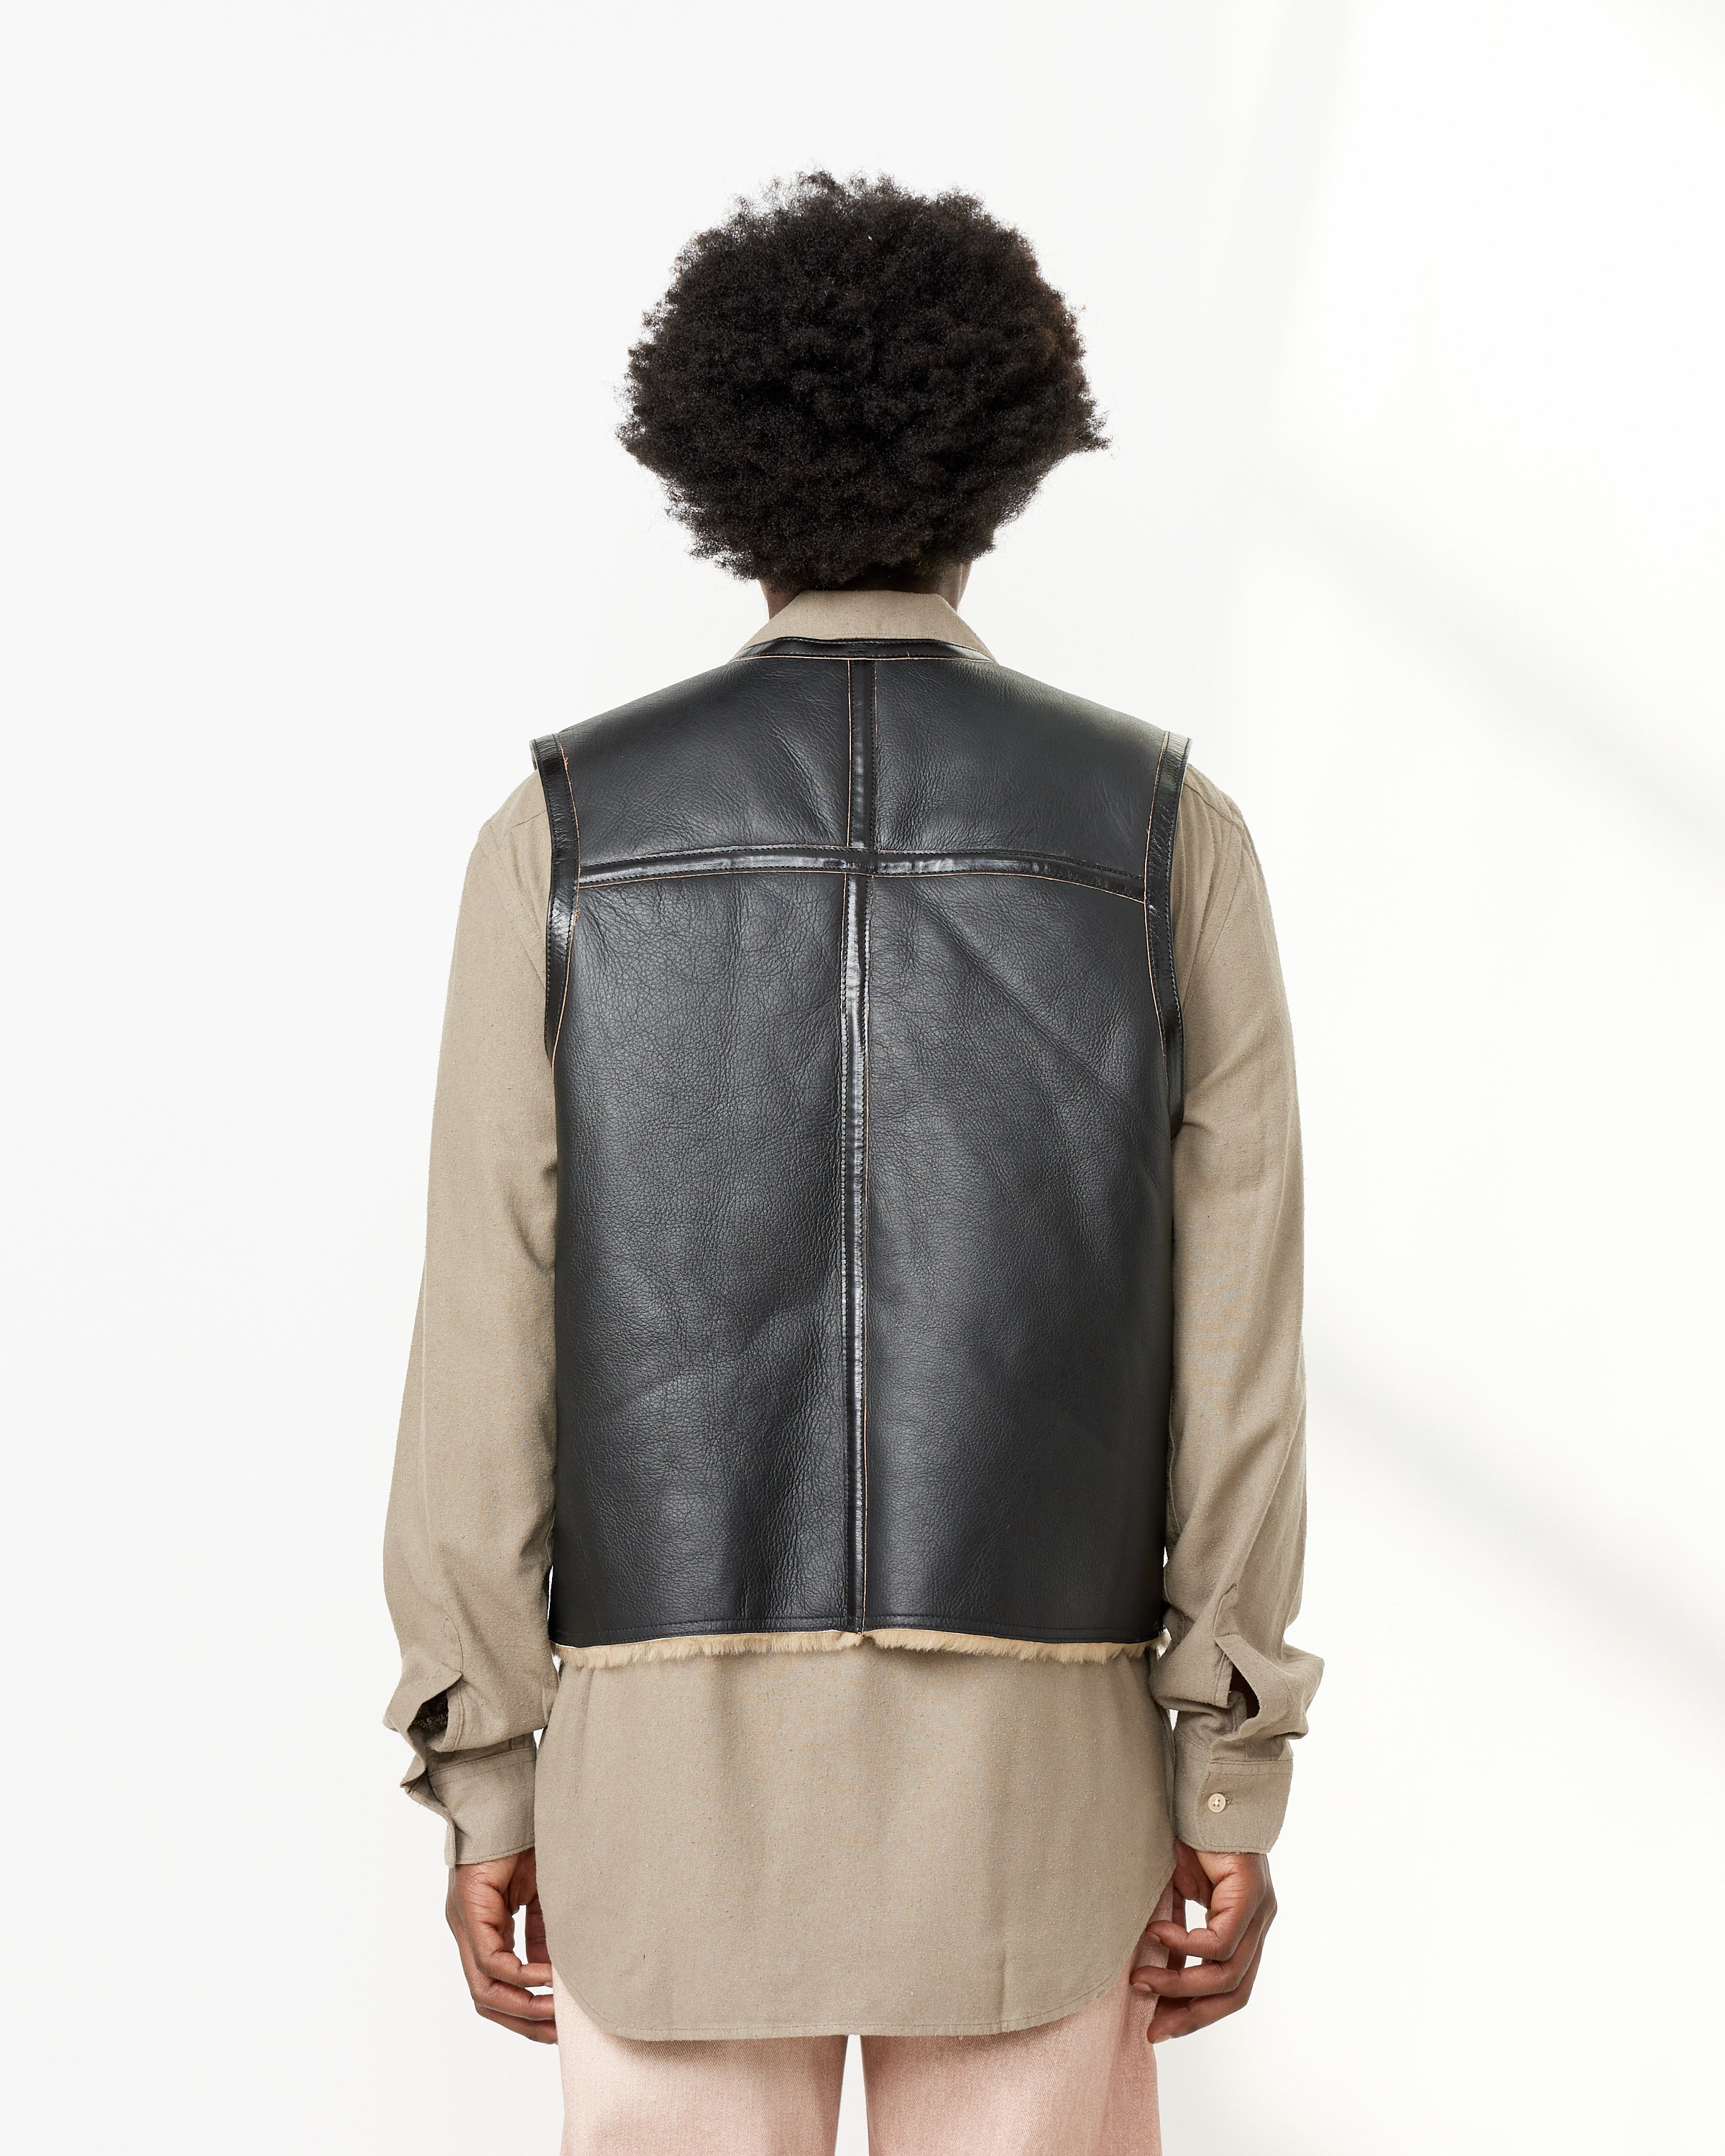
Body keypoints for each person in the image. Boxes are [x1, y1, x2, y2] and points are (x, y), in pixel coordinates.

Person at [383, 171, 1320, 2155]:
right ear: (1002, 465)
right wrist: (1231, 1771)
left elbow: (487, 1340)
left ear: (721, 468)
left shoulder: (563, 835)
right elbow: (1236, 1360)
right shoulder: (1164, 833)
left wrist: (486, 1775)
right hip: (1041, 1786)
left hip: (664, 1786)